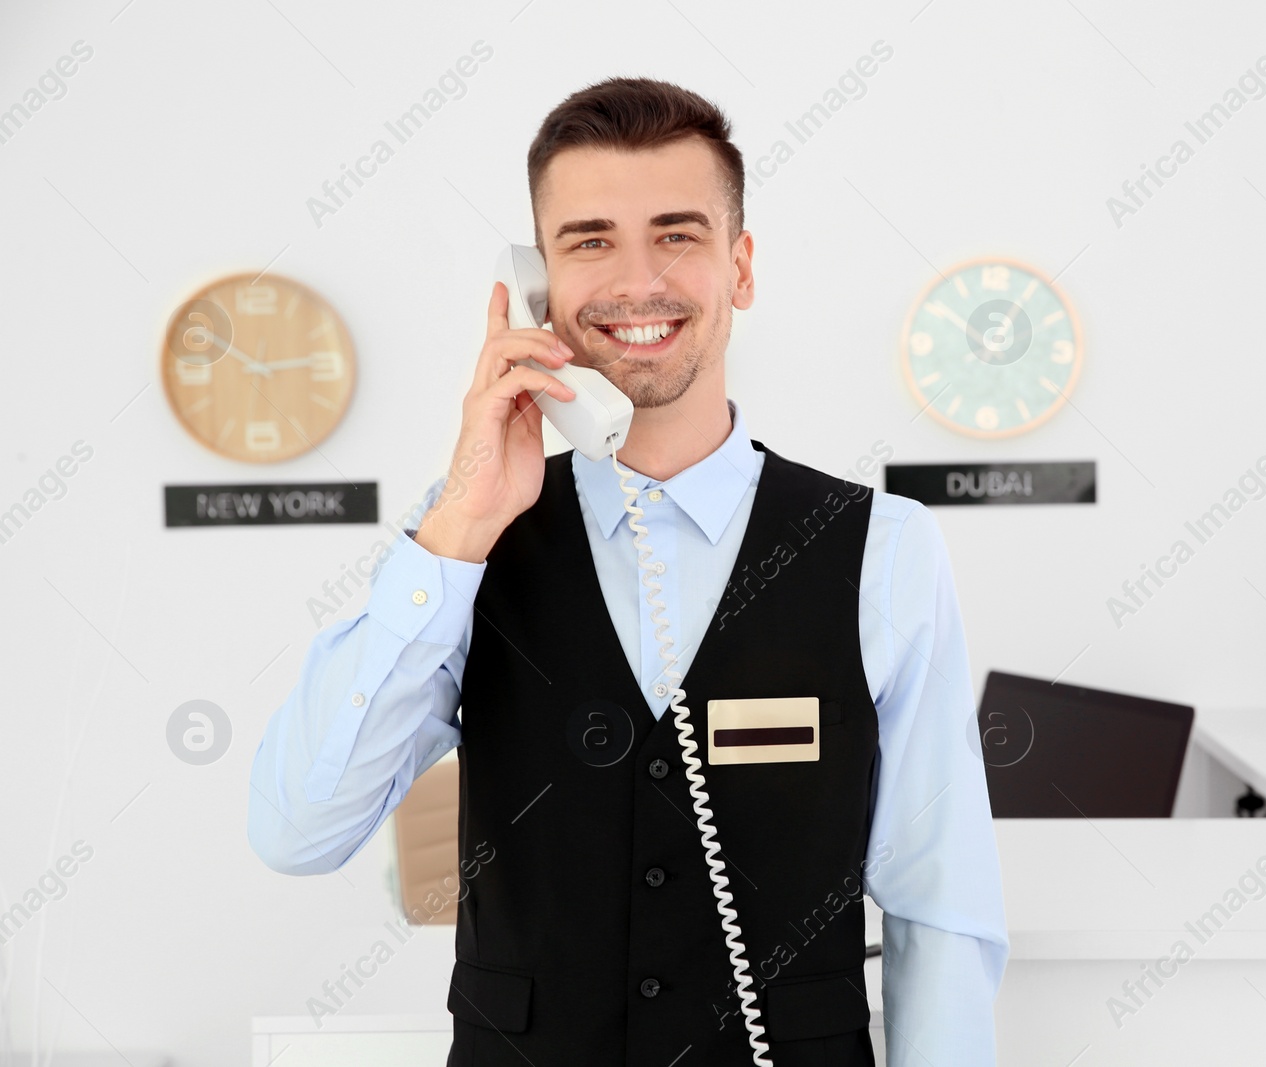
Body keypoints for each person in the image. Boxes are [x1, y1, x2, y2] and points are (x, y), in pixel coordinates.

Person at [247, 76, 1008, 1066]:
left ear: (739, 267)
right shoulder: (463, 549)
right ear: (538, 283)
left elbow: (938, 896)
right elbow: (296, 829)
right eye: (590, 239)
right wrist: (458, 529)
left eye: (678, 234)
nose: (636, 280)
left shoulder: (883, 545)